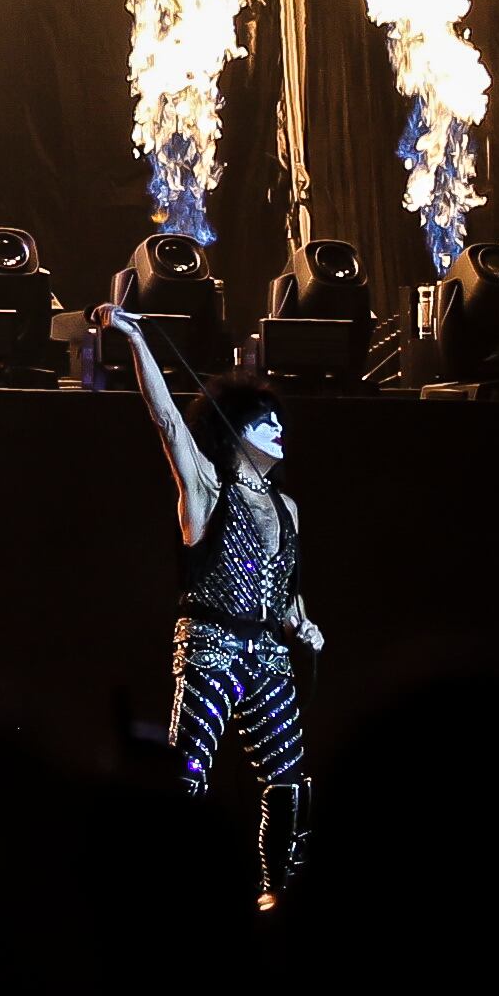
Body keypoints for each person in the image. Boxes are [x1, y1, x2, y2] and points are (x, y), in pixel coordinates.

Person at [116, 311, 319, 907]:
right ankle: (171, 889)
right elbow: (168, 422)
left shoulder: (288, 507)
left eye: (281, 419)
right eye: (266, 422)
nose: (281, 429)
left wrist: (301, 621)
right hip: (213, 646)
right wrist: (137, 341)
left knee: (292, 780)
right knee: (186, 773)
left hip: (269, 658)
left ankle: (279, 892)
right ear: (237, 433)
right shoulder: (207, 486)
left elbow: (284, 590)